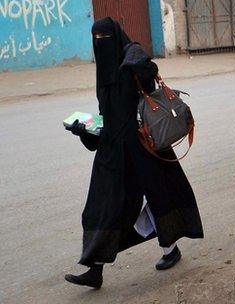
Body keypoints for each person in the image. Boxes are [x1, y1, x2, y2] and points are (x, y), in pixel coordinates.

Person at [64, 18, 204, 289]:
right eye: (96, 40)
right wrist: (85, 131)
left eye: (105, 38)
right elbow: (109, 119)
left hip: (145, 148)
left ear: (116, 39)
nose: (100, 44)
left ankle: (170, 249)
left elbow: (150, 77)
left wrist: (135, 59)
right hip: (114, 155)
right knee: (102, 209)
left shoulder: (133, 58)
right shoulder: (103, 75)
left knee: (161, 198)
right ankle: (94, 269)